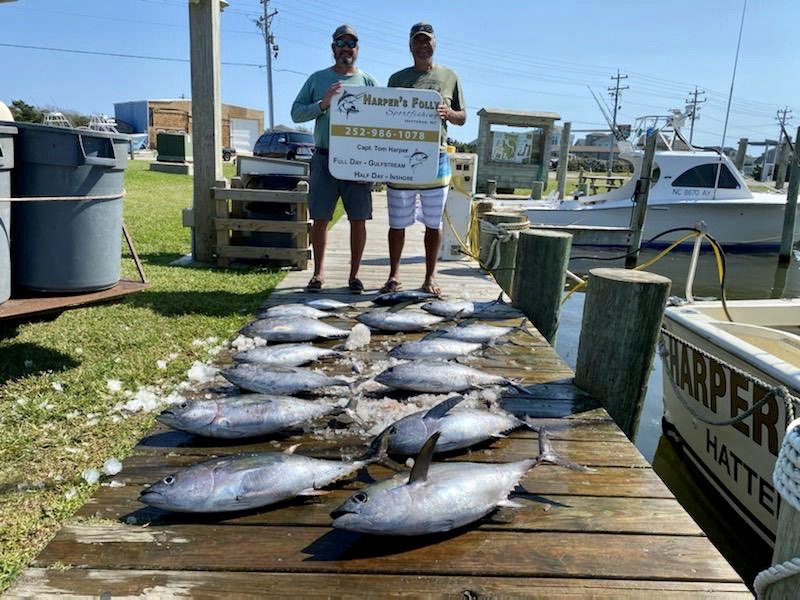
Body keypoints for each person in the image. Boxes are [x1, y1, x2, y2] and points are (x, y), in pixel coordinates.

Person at [381, 22, 466, 296]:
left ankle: (430, 277)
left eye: (427, 40)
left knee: (433, 222)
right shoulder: (396, 79)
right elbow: (383, 117)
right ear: (410, 45)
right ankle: (394, 276)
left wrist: (448, 114)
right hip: (400, 160)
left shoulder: (450, 76)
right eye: (417, 40)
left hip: (437, 159)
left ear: (434, 43)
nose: (422, 45)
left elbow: (462, 116)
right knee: (397, 222)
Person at [291, 25, 377, 293]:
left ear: (357, 49)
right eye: (341, 43)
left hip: (358, 162)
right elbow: (296, 113)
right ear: (333, 48)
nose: (346, 48)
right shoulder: (317, 80)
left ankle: (354, 276)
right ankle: (318, 274)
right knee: (320, 217)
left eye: (351, 43)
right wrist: (323, 103)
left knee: (358, 219)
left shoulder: (369, 82)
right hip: (325, 158)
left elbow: (378, 122)